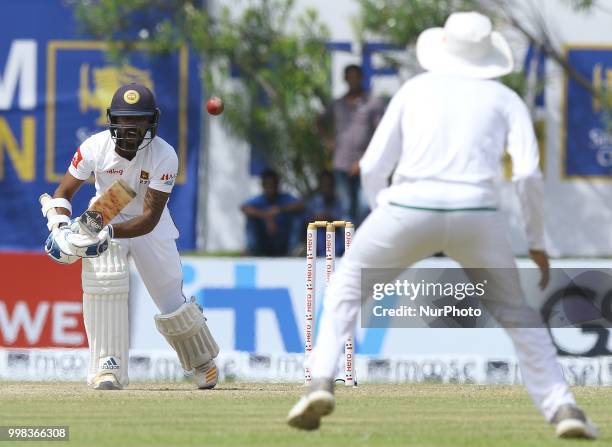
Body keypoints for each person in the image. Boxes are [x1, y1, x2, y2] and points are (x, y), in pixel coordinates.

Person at [287, 12, 598, 439]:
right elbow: (527, 175)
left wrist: (389, 213)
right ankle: (563, 408)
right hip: (478, 214)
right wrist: (536, 242)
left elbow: (375, 166)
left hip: (407, 206)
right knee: (517, 314)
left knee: (345, 286)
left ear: (444, 47)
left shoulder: (415, 90)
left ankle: (321, 381)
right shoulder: (504, 99)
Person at [42, 83, 219, 390]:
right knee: (104, 284)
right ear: (113, 118)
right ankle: (106, 368)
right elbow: (63, 192)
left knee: (169, 297)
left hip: (145, 219)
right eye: (126, 119)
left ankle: (203, 360)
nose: (131, 126)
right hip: (107, 208)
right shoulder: (95, 147)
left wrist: (104, 233)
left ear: (152, 120)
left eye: (139, 119)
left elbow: (149, 219)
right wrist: (59, 227)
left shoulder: (164, 155)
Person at [319, 64, 385, 226]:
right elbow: (320, 120)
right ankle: (350, 248)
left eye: (356, 76)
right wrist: (327, 140)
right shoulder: (338, 104)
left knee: (364, 206)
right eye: (350, 77)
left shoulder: (372, 103)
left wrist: (363, 160)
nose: (353, 80)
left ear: (362, 78)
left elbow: (381, 133)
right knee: (346, 208)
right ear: (345, 79)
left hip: (365, 163)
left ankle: (363, 246)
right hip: (341, 162)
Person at [241, 169, 304, 256]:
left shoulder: (285, 198)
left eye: (273, 184)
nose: (270, 188)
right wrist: (265, 215)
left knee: (297, 217)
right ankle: (252, 249)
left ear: (277, 185)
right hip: (264, 241)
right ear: (263, 185)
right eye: (267, 185)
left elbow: (300, 206)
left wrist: (279, 210)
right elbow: (244, 208)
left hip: (283, 240)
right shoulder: (259, 199)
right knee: (251, 219)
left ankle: (294, 250)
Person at [306, 171, 348, 256]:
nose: (327, 188)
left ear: (333, 186)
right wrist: (325, 219)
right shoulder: (315, 200)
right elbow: (309, 220)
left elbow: (341, 221)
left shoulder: (339, 201)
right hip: (319, 233)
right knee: (318, 233)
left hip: (336, 233)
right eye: (324, 185)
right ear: (320, 186)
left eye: (329, 185)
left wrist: (325, 219)